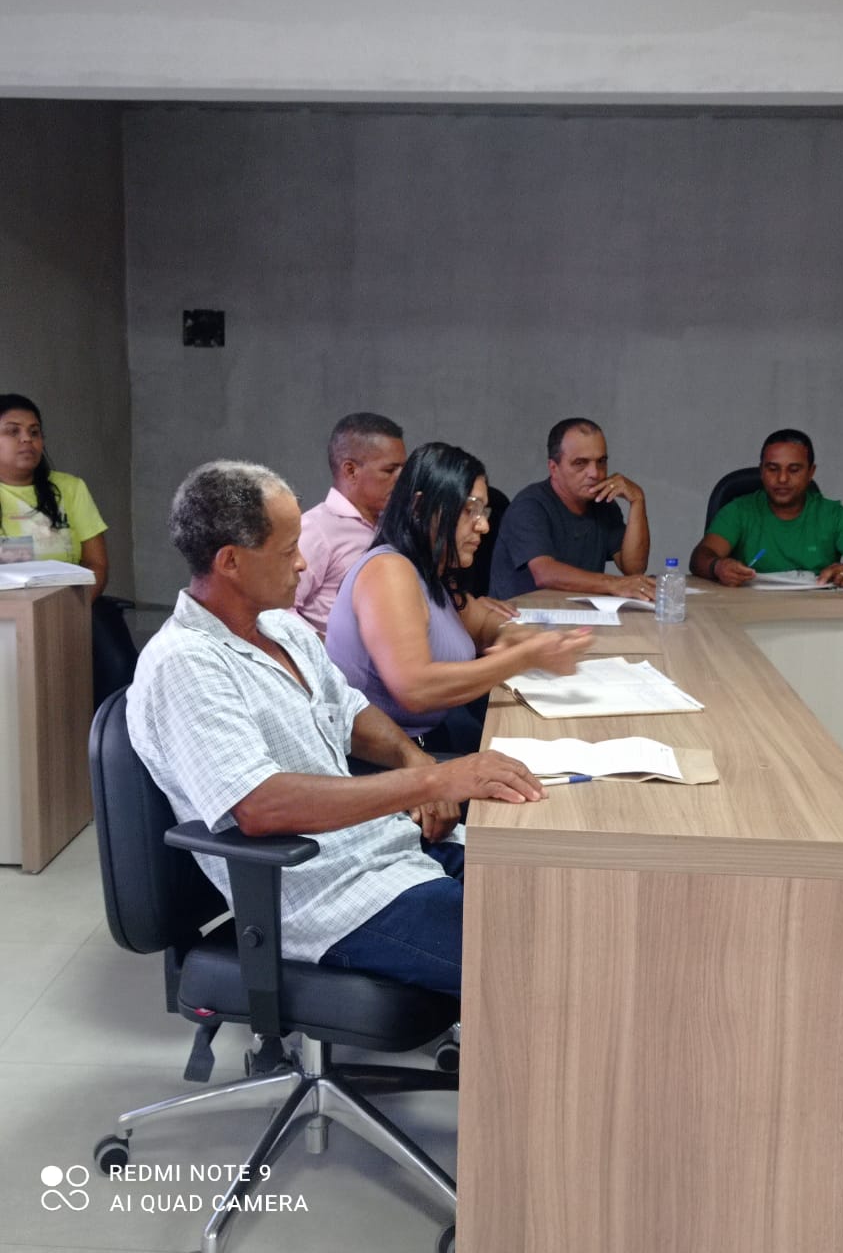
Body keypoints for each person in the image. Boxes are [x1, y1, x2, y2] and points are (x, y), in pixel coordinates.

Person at [126, 460, 544, 998]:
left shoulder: (282, 628)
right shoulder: (185, 663)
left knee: (551, 896)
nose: (303, 563)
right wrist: (434, 780)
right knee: (532, 960)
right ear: (230, 561)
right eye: (287, 551)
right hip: (327, 896)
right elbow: (260, 806)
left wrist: (414, 758)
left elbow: (350, 713)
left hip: (381, 849)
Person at [325, 442, 592, 753]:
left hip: (429, 739)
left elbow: (482, 625)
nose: (484, 525)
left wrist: (516, 636)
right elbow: (415, 689)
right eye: (470, 510)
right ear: (420, 507)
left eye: (484, 511)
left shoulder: (430, 571)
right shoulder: (388, 571)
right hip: (392, 760)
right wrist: (524, 657)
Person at [689, 428, 843, 588]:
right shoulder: (739, 511)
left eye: (794, 469)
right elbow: (701, 556)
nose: (782, 479)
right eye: (773, 469)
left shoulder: (833, 515)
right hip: (748, 612)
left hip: (815, 616)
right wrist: (718, 567)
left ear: (811, 472)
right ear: (761, 471)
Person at [488, 417, 656, 601]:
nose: (595, 473)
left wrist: (637, 500)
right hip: (523, 615)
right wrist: (614, 584)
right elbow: (545, 574)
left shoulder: (604, 504)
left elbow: (634, 569)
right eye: (580, 463)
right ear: (554, 468)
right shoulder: (529, 505)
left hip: (577, 614)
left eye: (601, 461)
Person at [295, 412, 407, 636]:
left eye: (404, 469)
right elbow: (278, 609)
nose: (402, 479)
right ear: (351, 470)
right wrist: (324, 646)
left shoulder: (394, 526)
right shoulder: (316, 530)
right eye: (389, 470)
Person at [0, 394, 108, 598]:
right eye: (13, 431)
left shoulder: (71, 488)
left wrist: (68, 610)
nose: (27, 438)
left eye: (34, 432)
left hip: (65, 610)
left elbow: (97, 564)